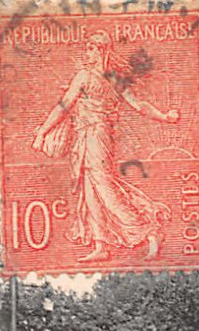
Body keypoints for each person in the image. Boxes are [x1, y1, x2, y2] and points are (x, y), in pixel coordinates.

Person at [30, 32, 179, 263]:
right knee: (90, 190)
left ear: (100, 50)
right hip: (89, 136)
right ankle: (101, 245)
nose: (87, 53)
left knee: (104, 188)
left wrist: (42, 131)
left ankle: (148, 229)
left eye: (90, 49)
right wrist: (165, 117)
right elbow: (138, 105)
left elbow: (63, 106)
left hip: (95, 136)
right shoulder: (113, 78)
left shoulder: (86, 77)